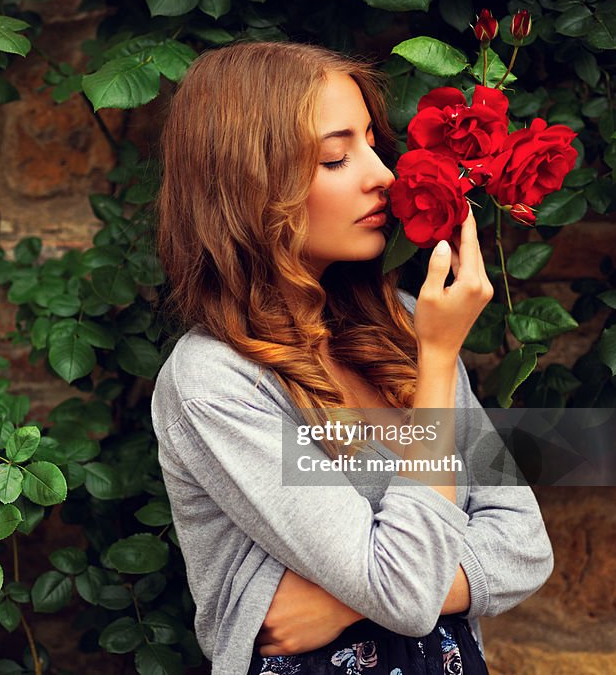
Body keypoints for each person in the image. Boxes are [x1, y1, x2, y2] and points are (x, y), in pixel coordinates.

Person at [150, 40, 555, 675]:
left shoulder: (404, 324)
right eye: (337, 157)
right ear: (250, 183)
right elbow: (405, 587)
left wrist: (348, 603)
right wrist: (440, 359)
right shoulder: (217, 381)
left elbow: (524, 546)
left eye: (371, 142)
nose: (384, 175)